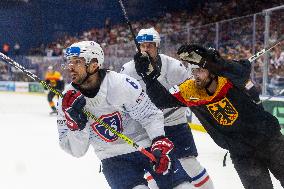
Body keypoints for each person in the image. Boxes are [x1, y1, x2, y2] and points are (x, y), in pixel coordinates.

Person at [140, 43, 284, 189]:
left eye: (200, 70)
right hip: (242, 154)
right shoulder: (189, 90)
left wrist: (212, 60)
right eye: (193, 70)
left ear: (212, 71)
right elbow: (160, 100)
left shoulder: (227, 78)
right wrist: (149, 79)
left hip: (270, 141)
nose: (196, 75)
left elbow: (242, 70)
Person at [56, 40, 193, 189]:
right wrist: (76, 127)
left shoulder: (121, 83)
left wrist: (159, 140)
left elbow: (149, 115)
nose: (70, 67)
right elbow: (77, 151)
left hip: (147, 145)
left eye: (77, 62)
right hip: (112, 158)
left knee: (183, 187)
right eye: (70, 62)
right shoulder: (66, 101)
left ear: (94, 64)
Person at [121, 27, 214, 189]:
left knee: (189, 164)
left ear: (157, 46)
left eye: (150, 45)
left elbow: (191, 91)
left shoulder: (175, 67)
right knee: (153, 170)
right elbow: (120, 100)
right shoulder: (128, 70)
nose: (145, 49)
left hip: (175, 122)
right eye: (142, 46)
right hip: (147, 128)